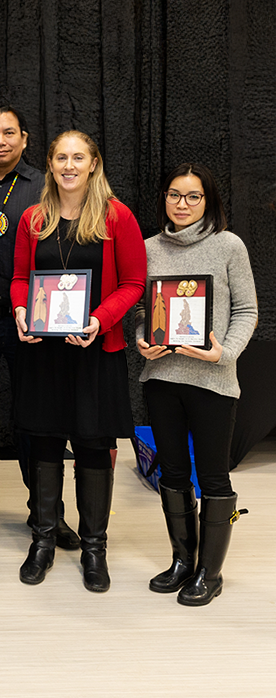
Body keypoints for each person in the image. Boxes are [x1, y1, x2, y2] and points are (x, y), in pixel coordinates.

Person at [11, 130, 146, 591]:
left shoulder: (116, 216)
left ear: (93, 164)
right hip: (44, 353)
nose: (69, 166)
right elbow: (19, 278)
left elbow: (134, 283)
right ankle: (43, 541)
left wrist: (98, 320)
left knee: (92, 448)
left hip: (94, 351)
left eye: (78, 158)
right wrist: (21, 310)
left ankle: (94, 548)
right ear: (50, 164)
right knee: (45, 445)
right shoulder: (33, 218)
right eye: (61, 158)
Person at [0, 107, 82, 548]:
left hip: (31, 320)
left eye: (9, 133)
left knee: (36, 418)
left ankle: (46, 512)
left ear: (25, 139)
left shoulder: (45, 187)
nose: (0, 141)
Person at [135, 163, 257, 605]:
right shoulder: (148, 248)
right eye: (174, 195)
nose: (182, 204)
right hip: (161, 378)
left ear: (208, 201)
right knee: (171, 473)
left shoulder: (229, 245)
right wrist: (142, 338)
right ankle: (182, 561)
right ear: (163, 198)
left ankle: (210, 572)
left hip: (213, 380)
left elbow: (247, 310)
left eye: (193, 196)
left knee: (213, 476)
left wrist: (223, 353)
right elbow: (141, 309)